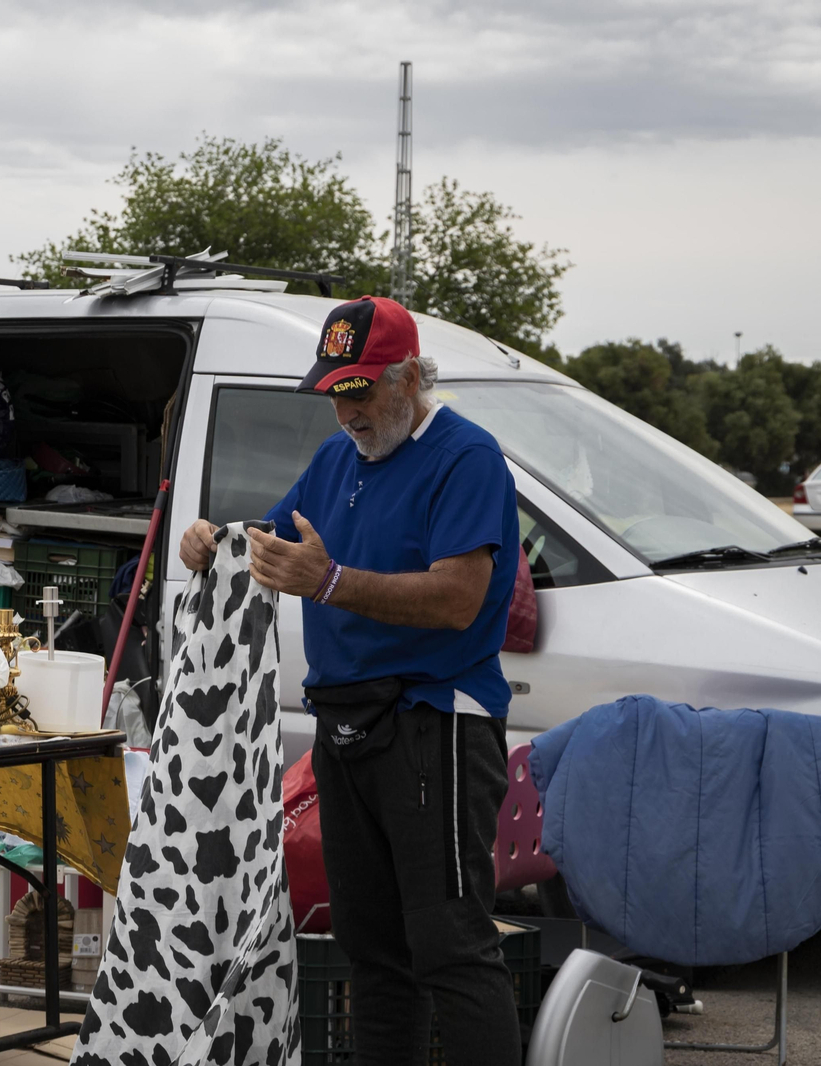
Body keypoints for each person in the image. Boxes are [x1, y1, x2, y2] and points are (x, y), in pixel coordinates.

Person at [179, 296, 521, 1066]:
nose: (347, 409)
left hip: (434, 721)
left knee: (450, 946)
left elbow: (459, 598)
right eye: (335, 390)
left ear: (409, 378)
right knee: (372, 949)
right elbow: (273, 548)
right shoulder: (335, 460)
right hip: (348, 725)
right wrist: (213, 540)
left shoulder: (466, 457)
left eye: (362, 389)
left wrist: (330, 583)